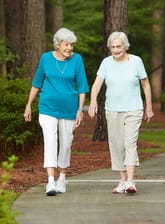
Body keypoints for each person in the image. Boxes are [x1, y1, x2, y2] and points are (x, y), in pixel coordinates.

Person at [24, 28, 90, 196]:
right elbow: (37, 83)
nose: (70, 48)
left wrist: (80, 110)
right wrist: (28, 105)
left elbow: (82, 87)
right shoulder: (46, 58)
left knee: (66, 142)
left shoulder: (77, 60)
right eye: (66, 45)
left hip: (69, 109)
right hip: (47, 108)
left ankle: (62, 177)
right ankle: (51, 181)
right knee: (50, 141)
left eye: (72, 45)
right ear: (58, 44)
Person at [88, 31, 154, 194]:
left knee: (129, 143)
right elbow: (96, 85)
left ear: (125, 46)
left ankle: (131, 181)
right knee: (116, 145)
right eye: (112, 47)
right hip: (112, 109)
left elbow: (145, 85)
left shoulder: (136, 61)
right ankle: (123, 179)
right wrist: (93, 101)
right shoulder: (106, 63)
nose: (116, 50)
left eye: (118, 46)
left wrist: (149, 107)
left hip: (133, 109)